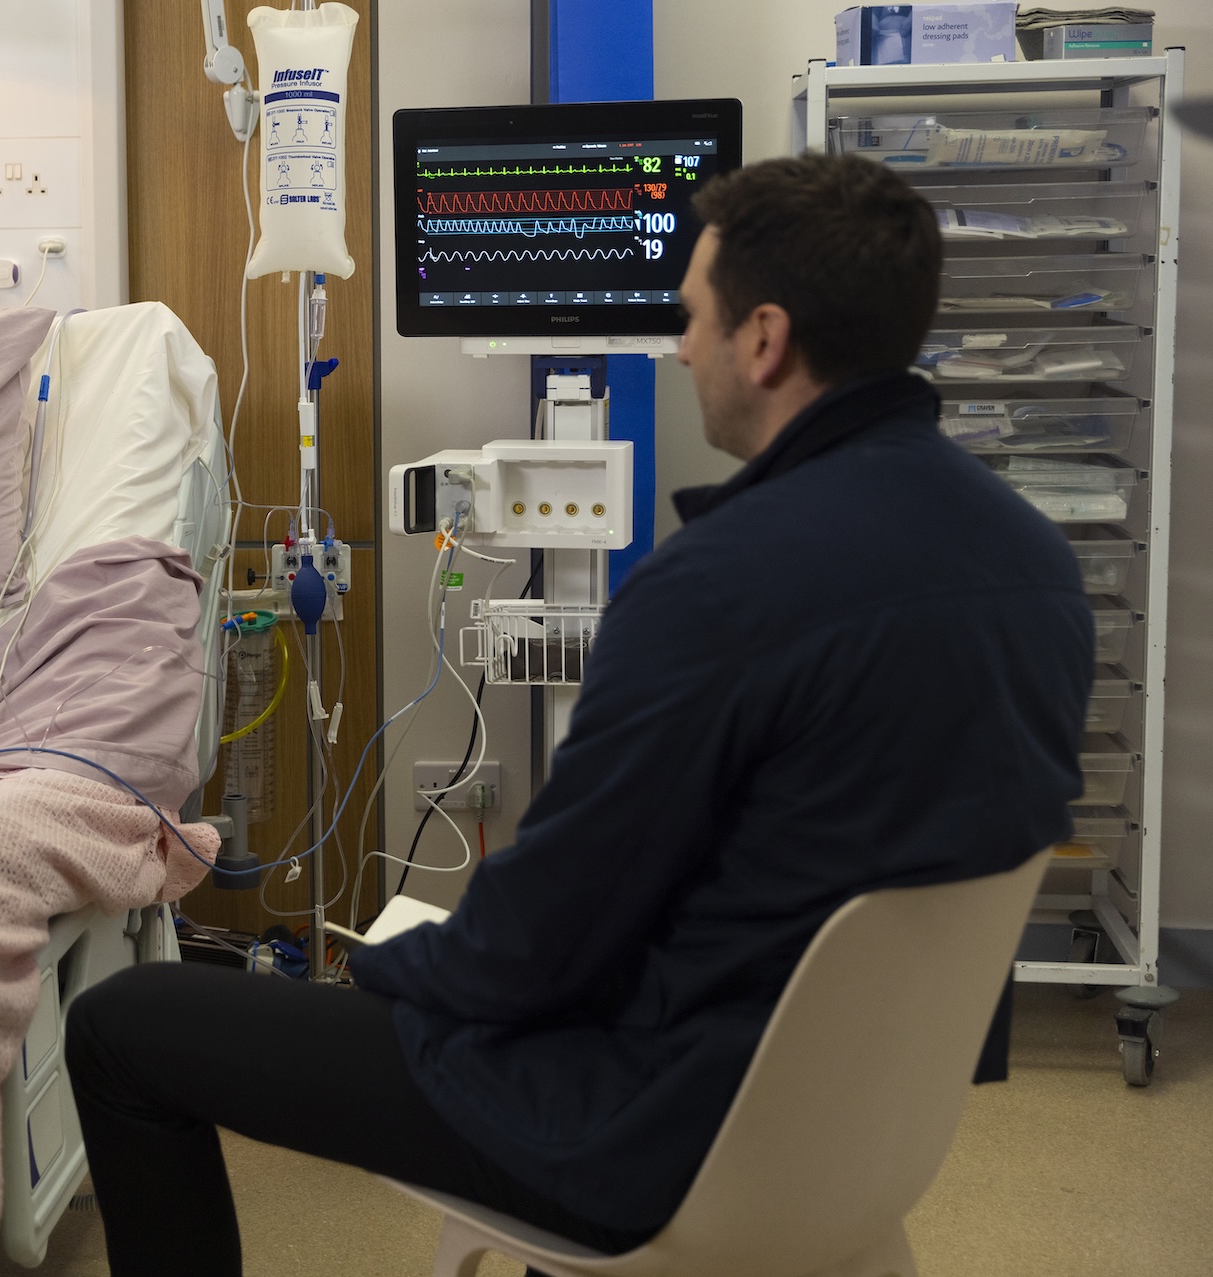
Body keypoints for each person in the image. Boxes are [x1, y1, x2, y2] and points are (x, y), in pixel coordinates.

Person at [62, 153, 1094, 1275]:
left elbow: (539, 940)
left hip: (651, 1132)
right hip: (870, 1127)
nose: (683, 349)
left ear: (765, 338)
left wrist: (391, 966)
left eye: (692, 319)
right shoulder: (1037, 563)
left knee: (124, 1025)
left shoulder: (722, 584)